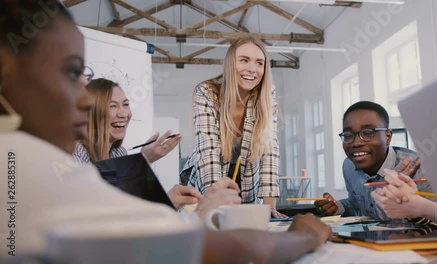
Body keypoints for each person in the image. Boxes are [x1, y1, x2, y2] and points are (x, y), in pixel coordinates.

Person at [0, 1, 331, 261]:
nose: (87, 100)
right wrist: (302, 234)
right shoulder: (23, 161)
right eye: (73, 73)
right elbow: (203, 248)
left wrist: (171, 204)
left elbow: (267, 150)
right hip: (213, 186)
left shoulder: (32, 161)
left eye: (260, 62)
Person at [181, 35, 286, 218]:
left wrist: (269, 207)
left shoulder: (267, 95)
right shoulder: (207, 93)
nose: (252, 69)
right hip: (206, 185)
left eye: (259, 63)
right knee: (211, 233)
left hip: (245, 182)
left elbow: (270, 150)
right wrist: (214, 206)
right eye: (244, 60)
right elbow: (208, 152)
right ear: (231, 63)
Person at [315, 101, 433, 222]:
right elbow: (356, 204)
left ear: (388, 137)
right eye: (348, 135)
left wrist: (410, 207)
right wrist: (336, 207)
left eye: (367, 133)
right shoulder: (349, 166)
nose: (356, 143)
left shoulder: (421, 169)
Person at [73, 78, 181, 164]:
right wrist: (144, 160)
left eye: (125, 104)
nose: (124, 114)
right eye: (113, 106)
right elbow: (94, 191)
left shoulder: (119, 153)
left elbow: (128, 190)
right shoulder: (74, 154)